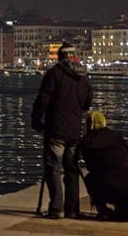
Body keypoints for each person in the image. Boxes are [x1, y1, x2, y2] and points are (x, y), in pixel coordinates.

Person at [31, 41, 92, 219]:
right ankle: (73, 209)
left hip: (55, 128)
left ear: (59, 57)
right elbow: (88, 103)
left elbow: (42, 99)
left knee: (53, 167)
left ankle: (56, 208)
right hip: (74, 130)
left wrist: (36, 120)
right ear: (73, 57)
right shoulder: (83, 77)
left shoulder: (54, 74)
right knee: (72, 169)